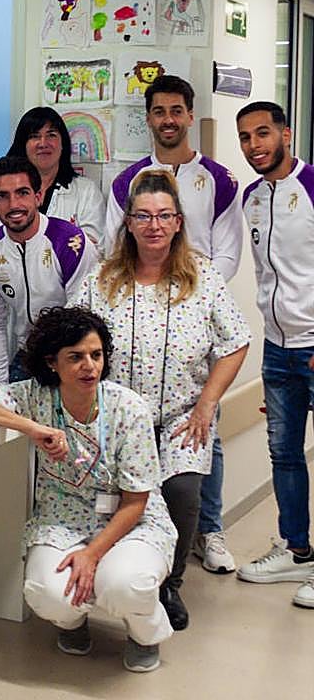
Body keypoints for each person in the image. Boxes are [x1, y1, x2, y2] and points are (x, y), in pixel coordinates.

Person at [0, 306, 177, 673]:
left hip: (130, 521)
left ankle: (145, 633)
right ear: (52, 363)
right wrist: (29, 427)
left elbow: (137, 501)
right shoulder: (36, 396)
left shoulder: (128, 408)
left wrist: (92, 555)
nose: (89, 366)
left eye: (96, 355)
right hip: (63, 519)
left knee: (123, 585)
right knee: (46, 594)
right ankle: (72, 623)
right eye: (75, 357)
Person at [72, 169, 248, 630]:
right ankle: (102, 575)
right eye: (144, 216)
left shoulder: (203, 279)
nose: (154, 225)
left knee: (182, 492)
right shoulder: (102, 280)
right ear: (128, 222)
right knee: (111, 501)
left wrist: (207, 404)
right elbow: (74, 339)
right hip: (115, 419)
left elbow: (235, 343)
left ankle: (168, 584)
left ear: (177, 223)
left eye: (164, 216)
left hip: (180, 418)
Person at [105, 74, 243, 575]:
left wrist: (191, 295)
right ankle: (139, 550)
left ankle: (210, 531)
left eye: (176, 111)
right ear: (149, 119)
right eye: (159, 111)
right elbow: (110, 243)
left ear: (189, 116)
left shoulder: (219, 179)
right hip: (142, 313)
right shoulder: (127, 182)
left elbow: (228, 249)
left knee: (203, 428)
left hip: (194, 311)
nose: (168, 120)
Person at [235, 100, 314, 607]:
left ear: (285, 133)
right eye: (245, 137)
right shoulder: (251, 198)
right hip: (277, 349)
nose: (254, 145)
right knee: (284, 455)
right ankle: (298, 551)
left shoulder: (311, 187)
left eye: (263, 133)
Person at [0, 156, 96, 384]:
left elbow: (80, 319)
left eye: (22, 193)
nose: (14, 205)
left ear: (38, 196)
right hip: (27, 354)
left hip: (74, 356)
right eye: (3, 196)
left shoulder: (71, 244)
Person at [0, 106, 106, 252]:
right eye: (34, 136)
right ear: (23, 145)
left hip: (70, 275)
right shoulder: (0, 189)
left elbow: (92, 248)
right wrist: (64, 241)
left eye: (51, 135)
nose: (43, 143)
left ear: (63, 144)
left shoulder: (86, 191)